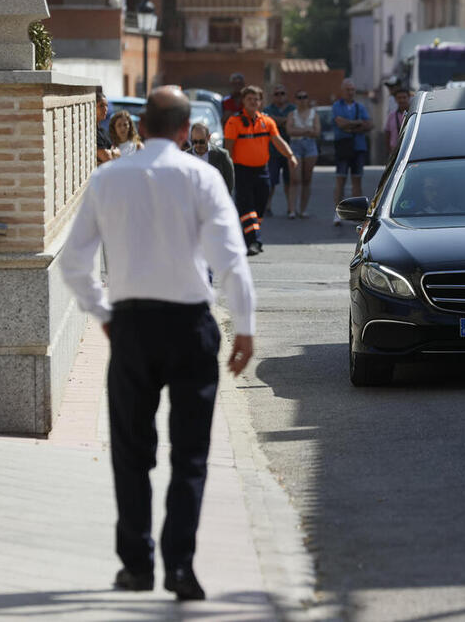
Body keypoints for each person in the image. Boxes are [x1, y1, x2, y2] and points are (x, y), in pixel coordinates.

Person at [58, 85, 256, 601]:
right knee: (190, 454)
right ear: (185, 128)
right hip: (190, 325)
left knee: (131, 449)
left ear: (142, 126)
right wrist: (246, 327)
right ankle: (181, 569)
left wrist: (104, 314)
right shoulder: (203, 176)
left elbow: (75, 263)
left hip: (132, 327)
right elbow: (231, 258)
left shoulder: (107, 178)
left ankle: (137, 566)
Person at [224, 85, 299, 255]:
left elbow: (278, 140)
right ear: (243, 101)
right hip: (241, 171)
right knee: (247, 207)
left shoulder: (267, 121)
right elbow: (228, 148)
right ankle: (254, 241)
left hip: (262, 171)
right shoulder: (234, 122)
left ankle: (246, 236)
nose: (253, 102)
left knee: (259, 208)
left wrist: (290, 155)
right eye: (249, 99)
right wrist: (227, 171)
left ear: (260, 102)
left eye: (256, 99)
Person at [332, 78, 373, 226]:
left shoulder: (360, 107)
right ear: (342, 91)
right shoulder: (337, 106)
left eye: (352, 90)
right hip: (343, 147)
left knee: (357, 181)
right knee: (340, 180)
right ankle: (337, 213)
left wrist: (350, 126)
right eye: (348, 90)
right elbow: (340, 123)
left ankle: (357, 215)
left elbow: (369, 124)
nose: (350, 92)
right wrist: (357, 123)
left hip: (358, 147)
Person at [286, 88, 320, 218]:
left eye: (304, 97)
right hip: (295, 146)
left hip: (310, 146)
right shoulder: (292, 114)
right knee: (295, 179)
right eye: (299, 97)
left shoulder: (314, 114)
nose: (302, 100)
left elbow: (317, 132)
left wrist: (299, 130)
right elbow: (290, 130)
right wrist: (307, 130)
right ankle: (292, 210)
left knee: (307, 179)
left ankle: (303, 209)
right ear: (295, 100)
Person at [263, 85, 297, 217]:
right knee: (271, 180)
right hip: (273, 150)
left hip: (290, 149)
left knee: (289, 180)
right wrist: (284, 121)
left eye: (282, 93)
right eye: (277, 94)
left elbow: (291, 121)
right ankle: (267, 206)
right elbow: (268, 121)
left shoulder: (292, 109)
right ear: (273, 96)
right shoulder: (267, 109)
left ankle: (290, 208)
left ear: (286, 95)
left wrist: (276, 121)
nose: (280, 96)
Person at [187, 122, 234, 194]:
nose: (198, 145)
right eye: (195, 142)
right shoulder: (185, 157)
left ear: (208, 137)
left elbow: (229, 183)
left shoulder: (222, 156)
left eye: (202, 141)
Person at [384, 88, 411, 157]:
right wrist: (388, 150)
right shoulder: (391, 116)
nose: (402, 100)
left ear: (409, 98)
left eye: (404, 97)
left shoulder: (414, 115)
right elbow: (387, 134)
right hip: (395, 152)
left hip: (410, 150)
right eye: (399, 98)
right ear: (395, 99)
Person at [96, 89, 119, 165]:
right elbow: (107, 158)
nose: (105, 109)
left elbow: (117, 150)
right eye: (101, 105)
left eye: (106, 106)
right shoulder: (94, 133)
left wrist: (113, 152)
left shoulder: (102, 131)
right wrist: (113, 152)